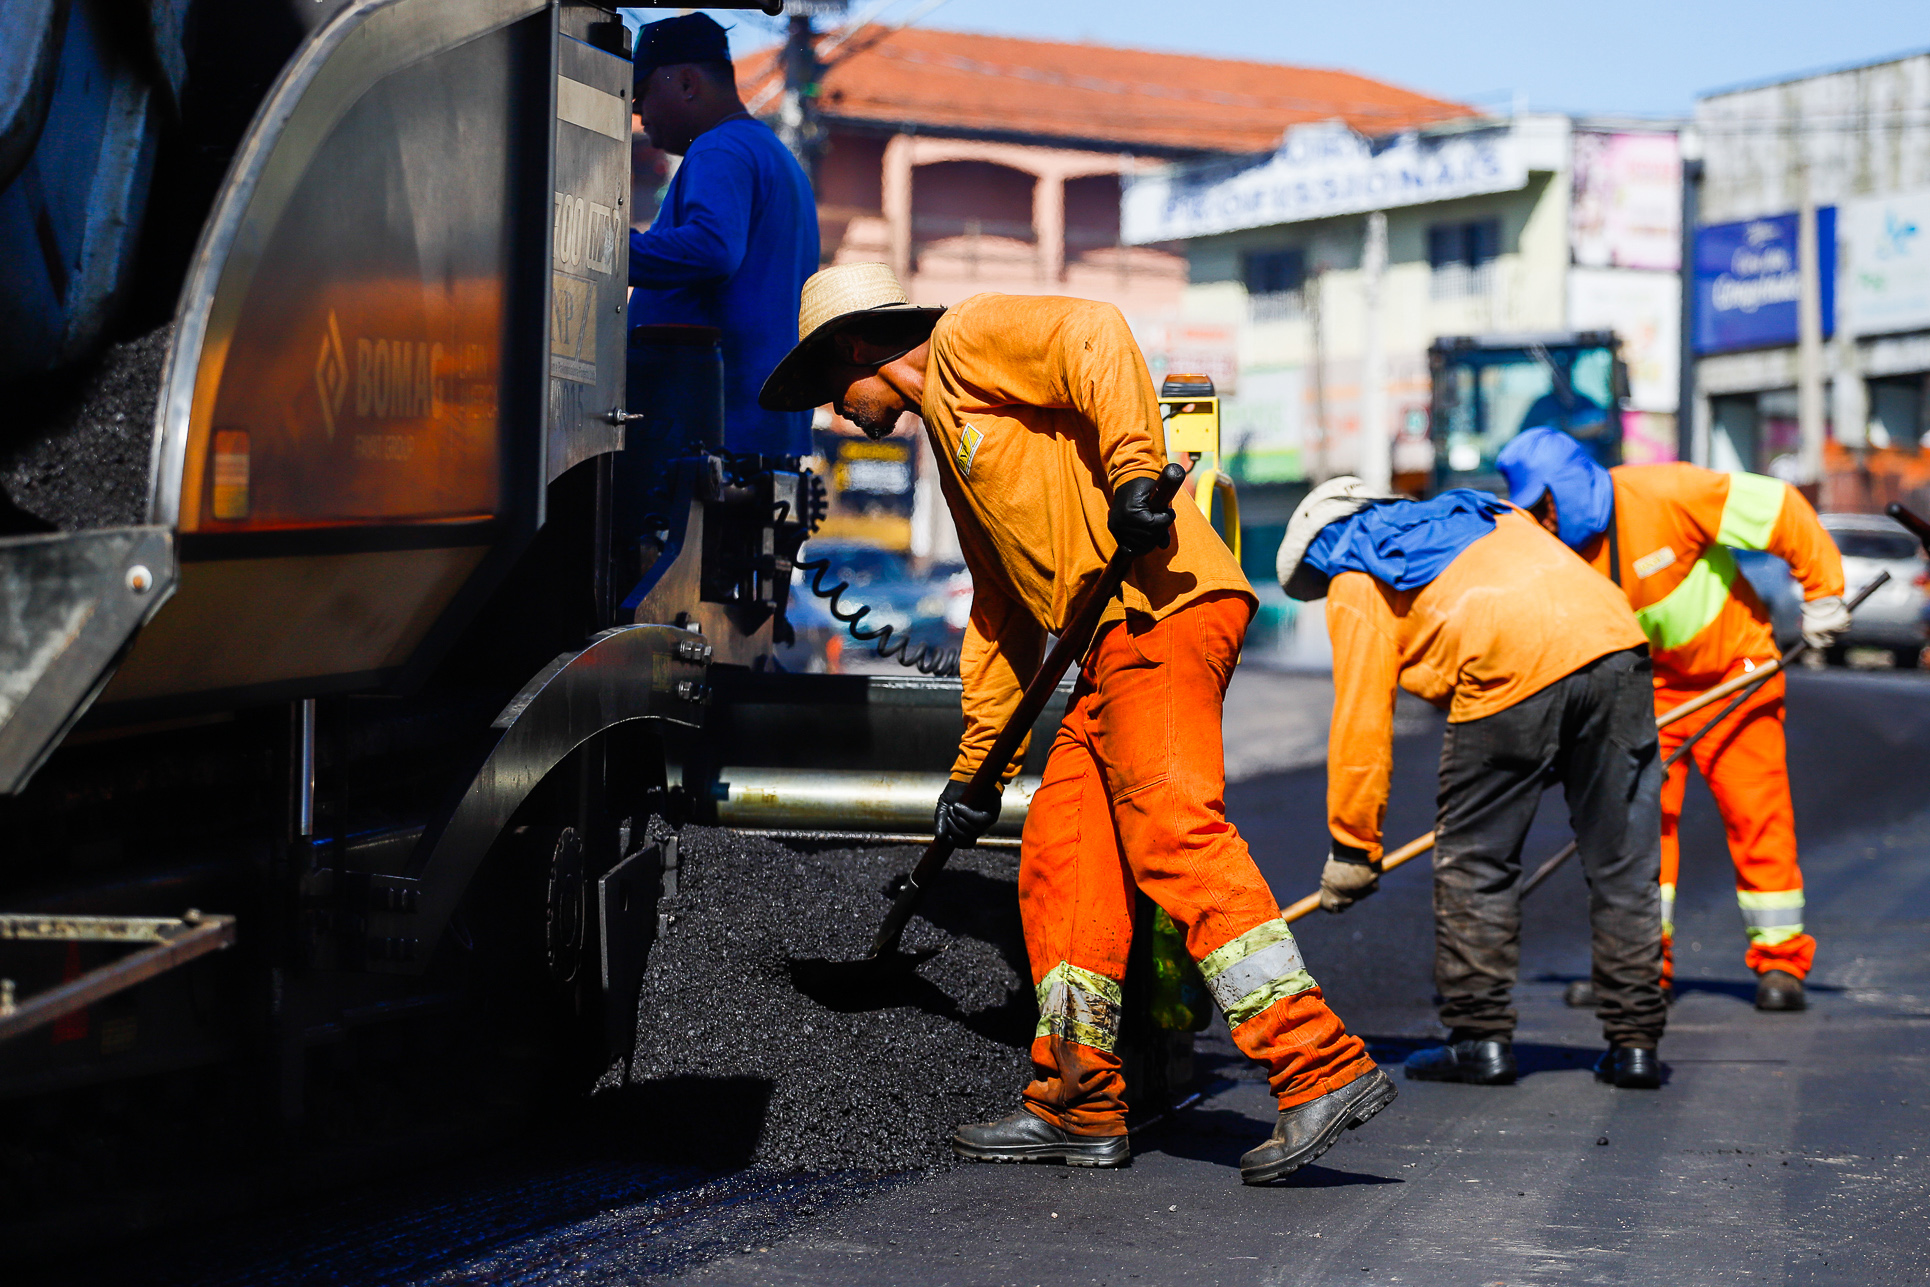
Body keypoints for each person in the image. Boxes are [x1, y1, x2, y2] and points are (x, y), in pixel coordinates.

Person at [760, 262, 1393, 1184]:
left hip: (1160, 609)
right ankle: (1078, 1102)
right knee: (1062, 855)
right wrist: (976, 770)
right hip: (1104, 647)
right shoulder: (951, 435)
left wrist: (1136, 472)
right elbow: (1001, 613)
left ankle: (1317, 1065)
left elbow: (1093, 332)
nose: (830, 410)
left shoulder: (969, 338)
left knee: (1173, 831)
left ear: (858, 348)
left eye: (827, 387)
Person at [1278, 477, 1668, 1089]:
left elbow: (1361, 720)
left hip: (1510, 667)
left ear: (1322, 546)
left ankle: (1479, 1038)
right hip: (1617, 644)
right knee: (1623, 862)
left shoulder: (1358, 573)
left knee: (1476, 864)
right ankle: (1635, 1043)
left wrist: (1354, 848)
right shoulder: (1490, 513)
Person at [1495, 428, 1850, 1012]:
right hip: (1646, 695)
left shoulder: (1669, 493)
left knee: (1756, 816)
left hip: (1736, 676)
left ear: (1565, 490)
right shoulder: (1555, 554)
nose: (1539, 523)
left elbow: (1780, 508)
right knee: (1637, 832)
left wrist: (1824, 593)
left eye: (1542, 506)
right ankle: (1637, 966)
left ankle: (1781, 963)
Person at [628, 13, 819, 456]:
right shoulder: (774, 157)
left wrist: (600, 251)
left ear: (688, 83)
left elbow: (712, 249)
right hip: (762, 431)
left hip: (713, 433)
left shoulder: (720, 147)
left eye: (642, 95)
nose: (640, 115)